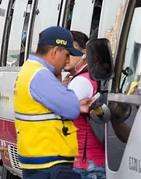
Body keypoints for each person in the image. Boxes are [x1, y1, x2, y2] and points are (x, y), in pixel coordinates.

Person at [14, 26, 93, 179]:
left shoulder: (30, 70)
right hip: (48, 164)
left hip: (40, 160)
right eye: (67, 55)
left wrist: (76, 104)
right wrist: (66, 90)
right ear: (55, 52)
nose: (67, 61)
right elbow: (70, 108)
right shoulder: (41, 75)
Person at [63, 31, 106, 178]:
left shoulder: (80, 81)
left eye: (71, 52)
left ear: (84, 53)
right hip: (95, 160)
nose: (65, 57)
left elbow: (62, 113)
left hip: (85, 164)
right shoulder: (92, 76)